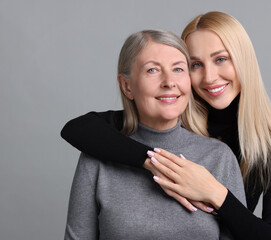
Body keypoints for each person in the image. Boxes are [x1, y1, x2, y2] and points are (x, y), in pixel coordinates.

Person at [62, 11, 271, 240]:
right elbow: (78, 128)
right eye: (195, 65)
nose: (209, 77)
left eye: (221, 59)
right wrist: (153, 162)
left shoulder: (268, 151)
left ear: (244, 62)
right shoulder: (168, 113)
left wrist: (216, 193)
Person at [64, 29, 246, 240]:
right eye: (152, 70)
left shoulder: (219, 157)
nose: (169, 82)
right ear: (127, 86)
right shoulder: (96, 158)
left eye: (178, 69)